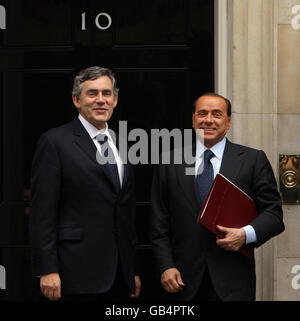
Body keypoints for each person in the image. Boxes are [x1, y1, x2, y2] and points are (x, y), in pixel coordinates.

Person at [149, 93, 284, 301]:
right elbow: (158, 224)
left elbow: (274, 215)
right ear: (193, 119)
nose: (209, 120)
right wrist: (166, 266)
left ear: (228, 121)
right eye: (202, 113)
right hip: (181, 280)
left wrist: (244, 235)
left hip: (234, 281)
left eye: (217, 114)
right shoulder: (169, 162)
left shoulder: (252, 160)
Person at [29, 66, 141, 301]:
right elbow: (42, 212)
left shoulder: (122, 142)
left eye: (107, 93)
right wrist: (47, 269)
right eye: (92, 93)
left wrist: (132, 270)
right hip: (75, 271)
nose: (101, 100)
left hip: (120, 274)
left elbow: (125, 210)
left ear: (115, 99)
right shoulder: (55, 142)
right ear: (76, 100)